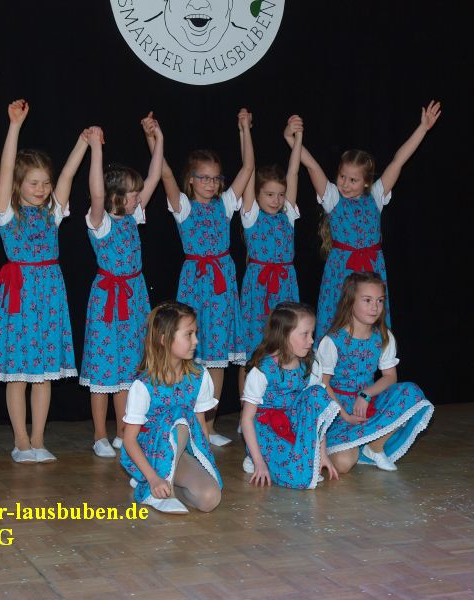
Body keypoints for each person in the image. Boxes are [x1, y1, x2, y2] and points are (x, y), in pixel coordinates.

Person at [284, 101, 442, 340]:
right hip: (341, 271)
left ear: (366, 182)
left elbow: (398, 161)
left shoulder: (376, 196)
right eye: (342, 177)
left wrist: (423, 128)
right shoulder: (332, 198)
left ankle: (370, 358)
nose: (345, 184)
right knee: (339, 322)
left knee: (368, 323)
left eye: (353, 180)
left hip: (371, 270)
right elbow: (311, 165)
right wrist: (291, 138)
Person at [0, 99, 86, 463]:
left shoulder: (52, 213)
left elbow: (69, 176)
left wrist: (83, 142)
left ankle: (39, 440)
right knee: (18, 375)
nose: (42, 188)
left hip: (49, 295)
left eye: (45, 182)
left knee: (43, 375)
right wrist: (14, 126)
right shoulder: (7, 212)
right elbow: (6, 166)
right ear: (19, 185)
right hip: (20, 297)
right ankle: (21, 442)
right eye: (34, 183)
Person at [145, 108, 255, 446]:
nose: (210, 183)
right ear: (191, 179)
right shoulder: (184, 207)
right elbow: (164, 172)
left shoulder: (225, 204)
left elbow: (248, 168)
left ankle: (208, 426)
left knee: (217, 358)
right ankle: (183, 421)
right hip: (196, 285)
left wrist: (245, 130)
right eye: (203, 178)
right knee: (189, 352)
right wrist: (154, 137)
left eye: (215, 178)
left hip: (221, 286)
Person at [79, 115, 164, 458]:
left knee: (128, 368)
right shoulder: (99, 221)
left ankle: (122, 432)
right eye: (132, 193)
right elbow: (96, 192)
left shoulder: (133, 216)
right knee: (103, 369)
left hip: (135, 296)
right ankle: (100, 434)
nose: (138, 197)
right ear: (115, 196)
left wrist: (158, 138)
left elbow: (155, 176)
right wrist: (96, 149)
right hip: (107, 300)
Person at [318, 272, 434, 472]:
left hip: (368, 401)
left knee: (410, 392)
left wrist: (366, 394)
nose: (375, 307)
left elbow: (390, 377)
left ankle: (374, 447)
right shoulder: (333, 341)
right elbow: (323, 385)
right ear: (350, 302)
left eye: (379, 301)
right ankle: (353, 445)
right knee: (343, 464)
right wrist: (345, 416)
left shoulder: (383, 336)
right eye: (367, 300)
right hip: (338, 410)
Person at [240, 303, 363, 488]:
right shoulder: (262, 371)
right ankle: (256, 456)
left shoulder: (310, 365)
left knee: (318, 393)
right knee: (298, 477)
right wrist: (259, 462)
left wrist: (322, 454)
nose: (311, 340)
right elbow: (247, 419)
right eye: (305, 334)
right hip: (267, 429)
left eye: (312, 333)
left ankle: (293, 457)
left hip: (294, 422)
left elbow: (317, 412)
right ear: (283, 335)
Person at [120, 302, 223, 514]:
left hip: (181, 450)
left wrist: (206, 461)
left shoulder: (199, 376)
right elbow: (129, 440)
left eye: (196, 333)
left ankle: (165, 483)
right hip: (151, 452)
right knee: (179, 418)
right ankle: (157, 487)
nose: (196, 341)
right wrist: (153, 477)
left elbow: (200, 425)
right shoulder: (144, 385)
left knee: (210, 499)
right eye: (189, 334)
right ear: (164, 339)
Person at [237, 115, 303, 404]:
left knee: (285, 346)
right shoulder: (251, 216)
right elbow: (248, 169)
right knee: (254, 351)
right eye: (269, 194)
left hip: (285, 287)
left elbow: (294, 172)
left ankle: (280, 404)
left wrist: (297, 140)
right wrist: (245, 131)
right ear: (257, 194)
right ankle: (247, 410)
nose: (276, 200)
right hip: (258, 289)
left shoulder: (288, 214)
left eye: (280, 194)